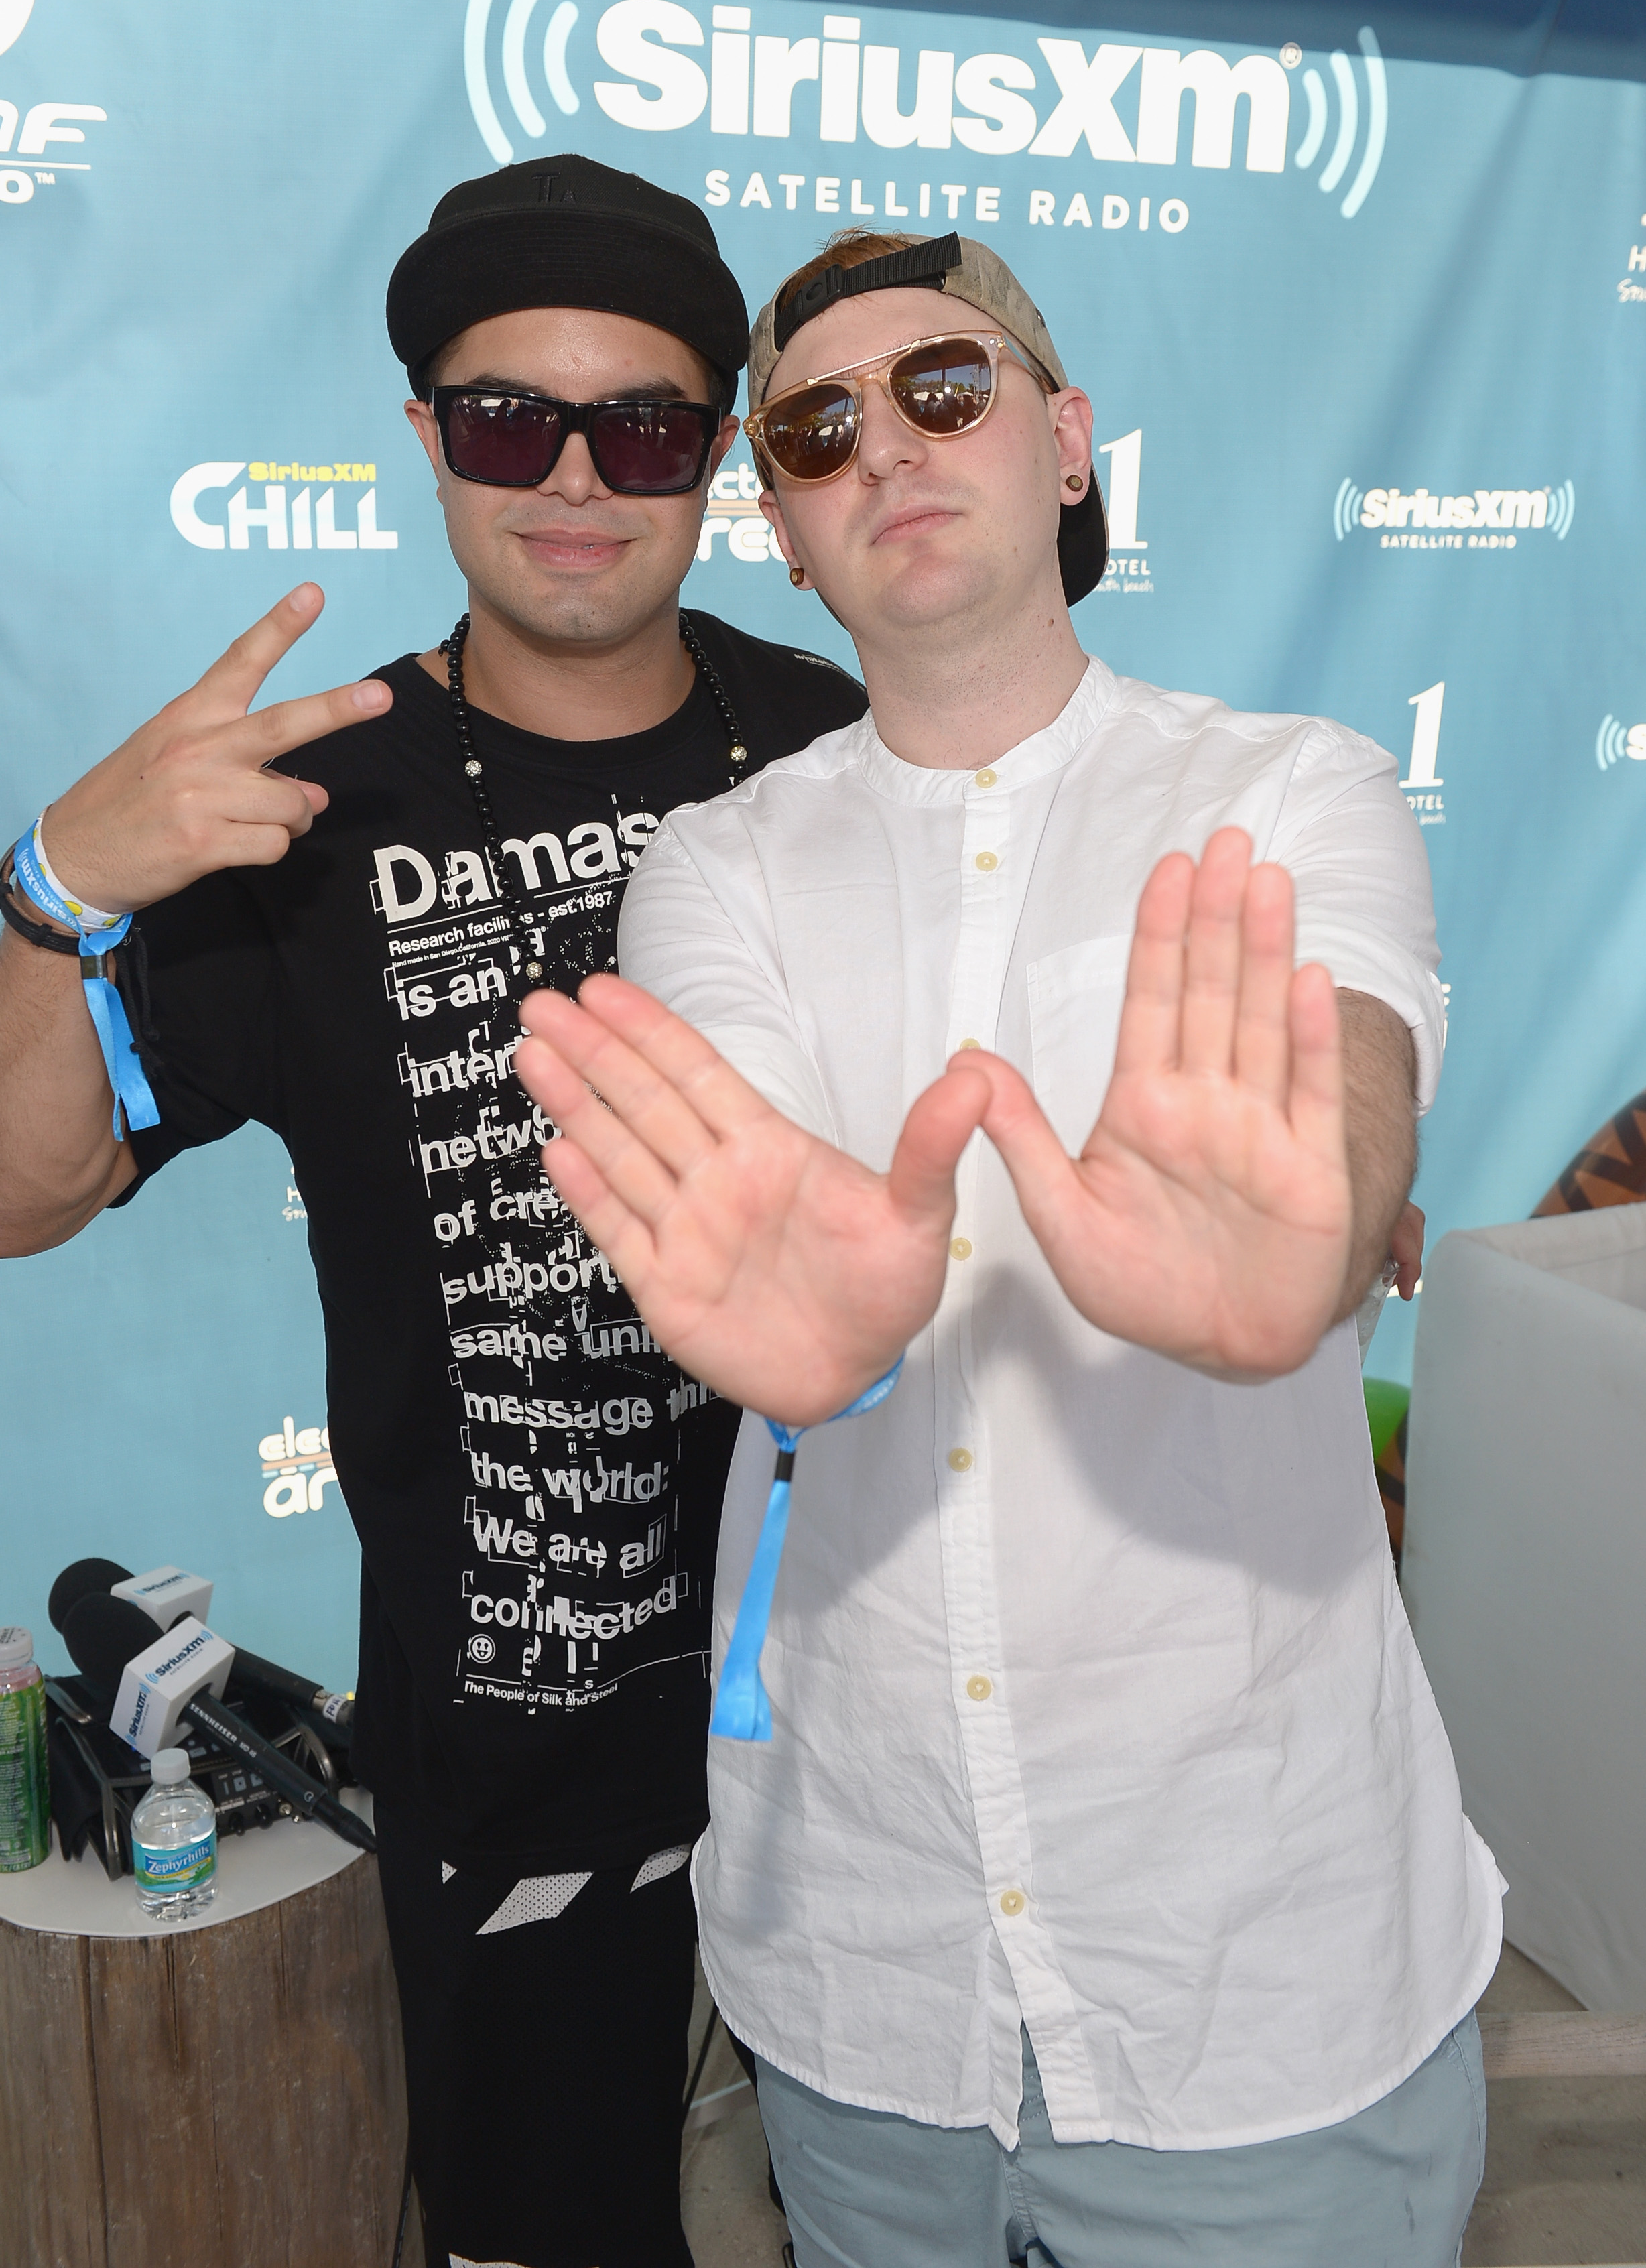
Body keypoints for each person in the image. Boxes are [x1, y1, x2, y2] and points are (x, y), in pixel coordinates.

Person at [511, 228, 1499, 2268]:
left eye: (944, 390)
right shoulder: (714, 867)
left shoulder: (1290, 792)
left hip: (1261, 1988)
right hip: (862, 1988)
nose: (886, 443)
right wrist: (819, 1319)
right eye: (816, 428)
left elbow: (1351, 1097)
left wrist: (1305, 1244)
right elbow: (772, 1199)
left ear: (1065, 444)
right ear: (779, 528)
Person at [0, 159, 863, 2268]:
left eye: (644, 426)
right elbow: (25, 1194)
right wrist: (56, 891)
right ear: (425, 437)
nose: (575, 476)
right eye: (509, 420)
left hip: (876, 1712)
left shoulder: (833, 749)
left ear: (717, 461)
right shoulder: (311, 799)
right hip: (517, 1752)